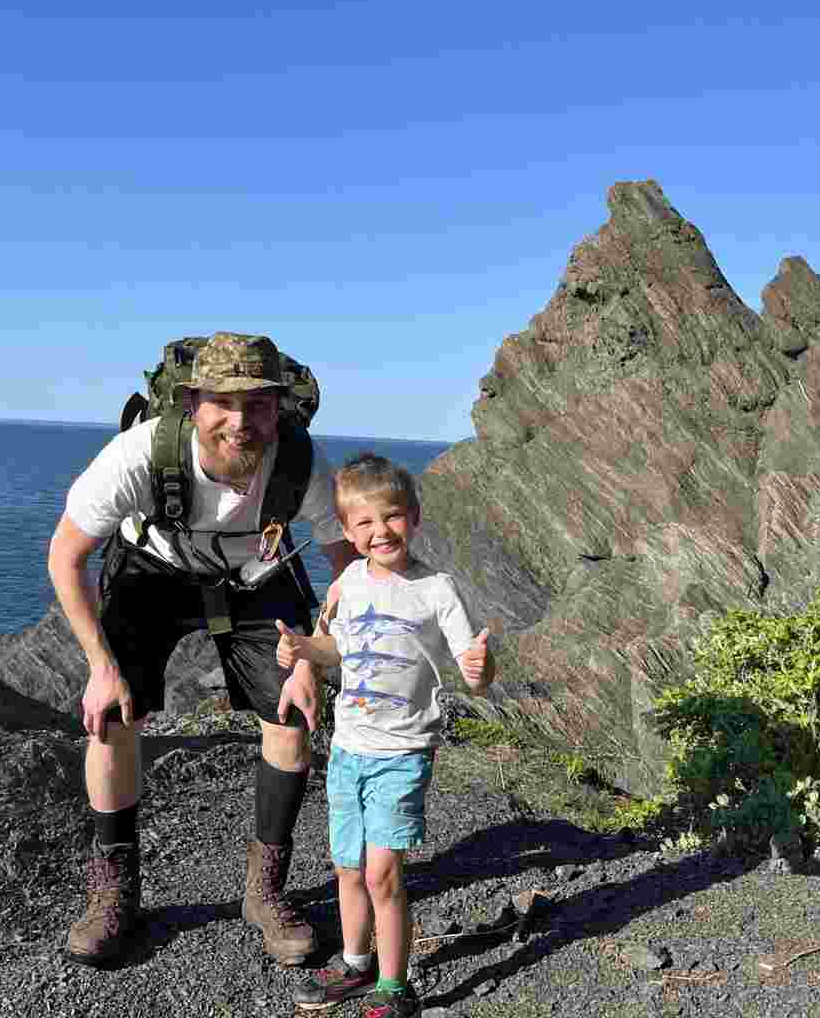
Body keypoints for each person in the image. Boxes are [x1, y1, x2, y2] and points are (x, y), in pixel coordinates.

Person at [47, 332, 358, 967]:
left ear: (280, 407)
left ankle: (265, 892)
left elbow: (347, 564)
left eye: (258, 404)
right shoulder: (138, 456)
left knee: (292, 715)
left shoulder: (302, 464)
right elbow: (65, 556)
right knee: (112, 717)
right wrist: (101, 669)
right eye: (222, 402)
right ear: (192, 404)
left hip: (256, 575)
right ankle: (113, 894)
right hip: (151, 567)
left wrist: (315, 652)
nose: (240, 421)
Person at [276, 453, 495, 1017]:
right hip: (347, 750)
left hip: (402, 752)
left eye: (392, 516)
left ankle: (396, 986)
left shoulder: (436, 589)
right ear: (347, 531)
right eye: (366, 522)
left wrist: (480, 669)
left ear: (414, 517)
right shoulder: (348, 581)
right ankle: (355, 963)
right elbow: (335, 648)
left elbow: (473, 667)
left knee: (382, 874)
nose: (381, 531)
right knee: (347, 868)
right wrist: (303, 648)